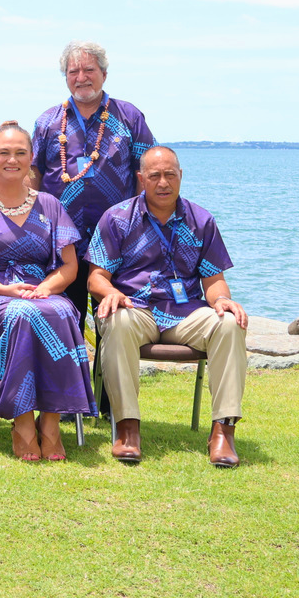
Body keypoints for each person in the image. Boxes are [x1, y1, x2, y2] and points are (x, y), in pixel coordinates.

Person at [86, 146, 249, 467]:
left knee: (229, 324)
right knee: (116, 321)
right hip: (136, 308)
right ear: (141, 179)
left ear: (181, 176)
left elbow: (213, 280)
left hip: (185, 314)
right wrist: (111, 293)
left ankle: (223, 432)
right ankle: (127, 428)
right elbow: (96, 278)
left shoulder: (201, 220)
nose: (163, 182)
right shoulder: (117, 219)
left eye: (170, 174)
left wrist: (222, 300)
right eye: (155, 175)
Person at [0, 122, 94, 461]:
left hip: (39, 292)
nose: (11, 159)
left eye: (20, 153)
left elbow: (69, 267)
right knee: (23, 313)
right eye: (4, 153)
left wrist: (44, 289)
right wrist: (5, 290)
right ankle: (24, 422)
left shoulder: (50, 205)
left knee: (60, 310)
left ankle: (52, 423)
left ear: (31, 159)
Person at [31, 41, 157, 324]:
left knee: (114, 316)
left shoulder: (129, 116)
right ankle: (70, 369)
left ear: (104, 74)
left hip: (117, 237)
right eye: (73, 71)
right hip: (61, 237)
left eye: (89, 69)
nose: (81, 77)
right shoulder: (48, 121)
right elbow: (32, 174)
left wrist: (141, 223)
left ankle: (106, 370)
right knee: (64, 316)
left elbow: (147, 170)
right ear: (65, 77)